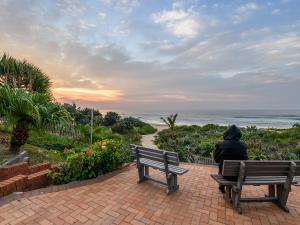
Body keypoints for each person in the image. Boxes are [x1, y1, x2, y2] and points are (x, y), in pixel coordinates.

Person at [213, 125, 248, 193]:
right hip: (241, 176)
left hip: (226, 176)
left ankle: (222, 186)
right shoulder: (244, 146)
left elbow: (216, 159)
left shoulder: (221, 144)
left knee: (222, 167)